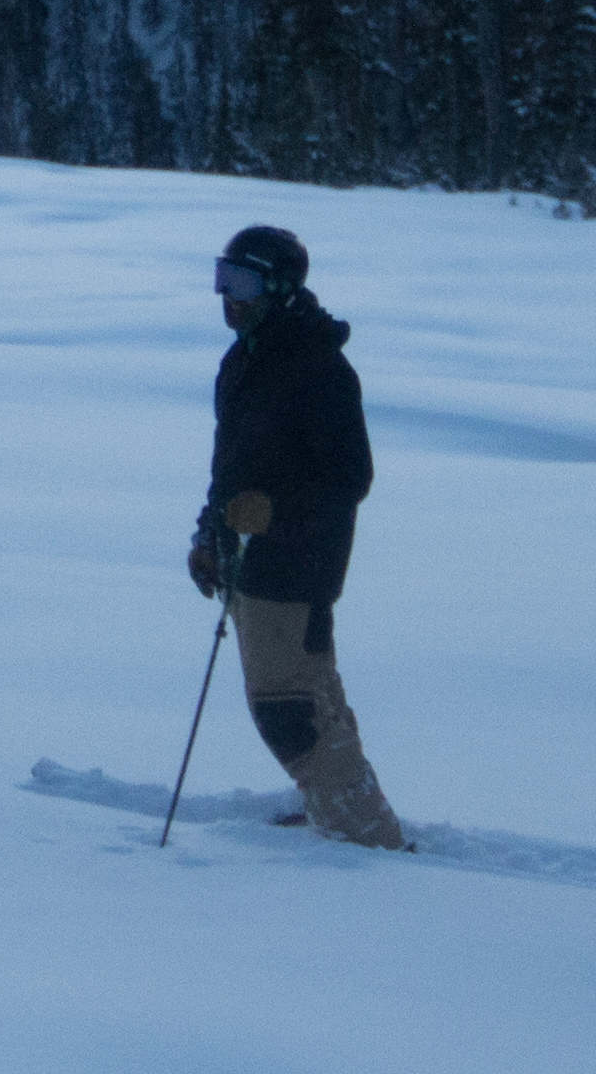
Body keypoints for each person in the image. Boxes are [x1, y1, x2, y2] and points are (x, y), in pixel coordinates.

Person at [189, 222, 406, 850]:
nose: (228, 296)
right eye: (221, 278)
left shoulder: (318, 370)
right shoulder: (248, 358)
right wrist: (212, 536)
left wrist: (272, 518)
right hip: (251, 564)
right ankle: (342, 806)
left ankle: (364, 838)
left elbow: (349, 478)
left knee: (288, 710)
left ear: (280, 289)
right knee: (312, 694)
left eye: (244, 282)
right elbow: (232, 471)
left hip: (294, 567)